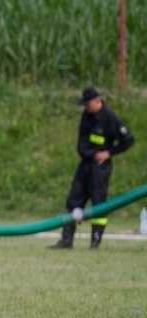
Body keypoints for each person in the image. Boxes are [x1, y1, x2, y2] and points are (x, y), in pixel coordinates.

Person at [51, 87, 135, 250]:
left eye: (88, 104)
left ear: (98, 101)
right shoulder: (87, 115)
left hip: (99, 168)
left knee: (99, 204)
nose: (85, 108)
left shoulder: (109, 119)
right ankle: (67, 240)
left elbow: (128, 139)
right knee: (74, 200)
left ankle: (95, 242)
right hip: (85, 165)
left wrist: (109, 153)